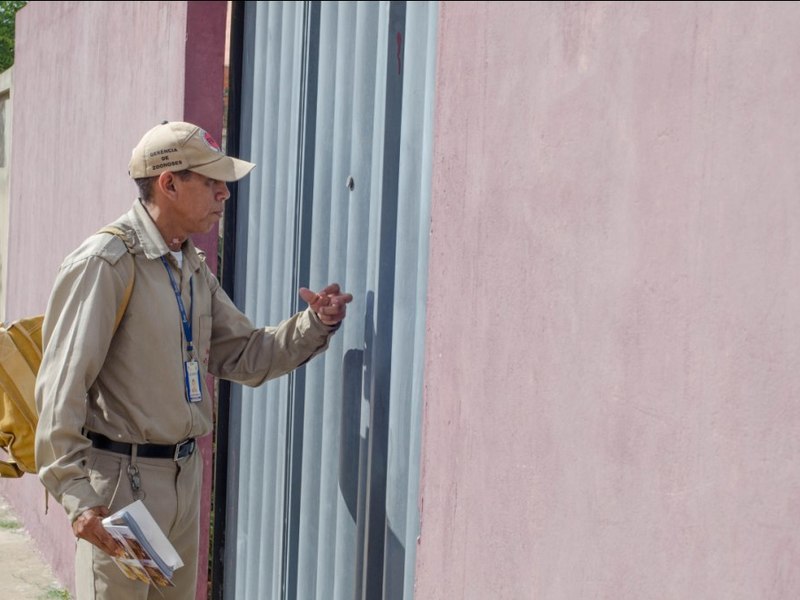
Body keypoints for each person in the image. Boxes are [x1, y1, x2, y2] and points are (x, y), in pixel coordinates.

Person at [34, 120, 353, 600]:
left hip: (182, 478)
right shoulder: (107, 262)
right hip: (122, 487)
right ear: (169, 183)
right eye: (210, 181)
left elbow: (245, 355)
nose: (224, 193)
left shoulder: (188, 265)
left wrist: (314, 324)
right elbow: (61, 389)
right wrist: (78, 499)